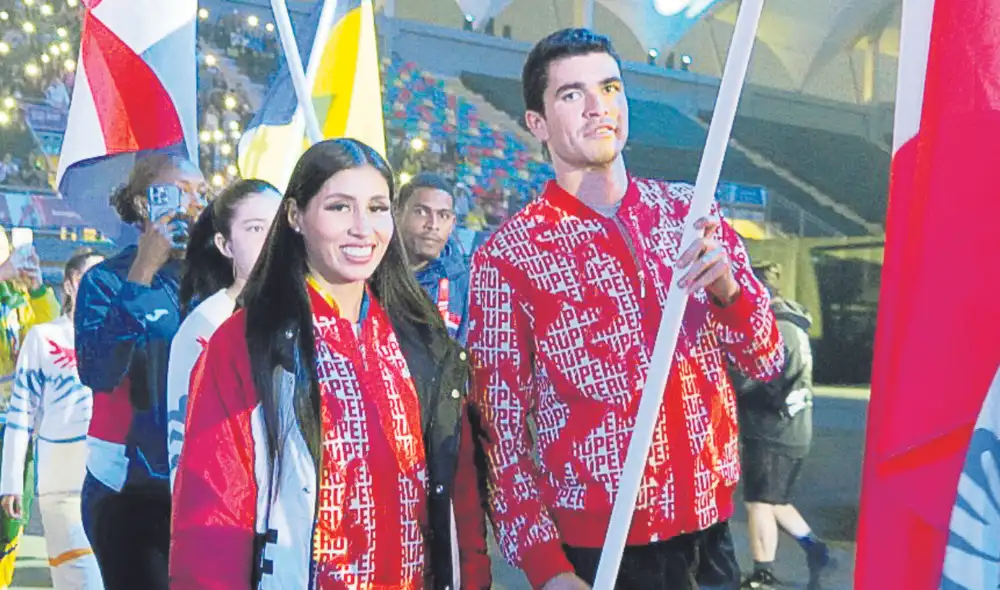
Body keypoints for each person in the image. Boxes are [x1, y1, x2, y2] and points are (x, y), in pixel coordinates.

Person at [466, 28, 785, 590]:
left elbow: (765, 360)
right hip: (602, 547)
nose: (598, 107)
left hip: (710, 534)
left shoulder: (690, 212)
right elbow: (499, 432)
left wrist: (731, 292)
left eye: (610, 87)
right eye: (571, 94)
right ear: (537, 124)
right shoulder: (510, 256)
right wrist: (548, 569)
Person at [170, 139, 491, 589]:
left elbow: (459, 499)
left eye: (378, 208)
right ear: (296, 216)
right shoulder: (248, 344)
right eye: (340, 207)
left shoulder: (424, 342)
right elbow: (213, 519)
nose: (363, 228)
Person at [74, 154, 206, 590]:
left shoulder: (218, 279)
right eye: (179, 193)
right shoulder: (106, 281)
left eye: (202, 194)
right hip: (133, 494)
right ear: (144, 202)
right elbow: (98, 371)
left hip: (207, 488)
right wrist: (144, 269)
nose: (193, 204)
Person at [0, 249, 105, 590]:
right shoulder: (43, 338)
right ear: (72, 284)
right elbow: (21, 414)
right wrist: (11, 481)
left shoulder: (119, 337)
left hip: (109, 476)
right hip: (61, 480)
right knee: (79, 577)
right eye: (93, 277)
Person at [166, 179, 281, 489]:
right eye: (256, 229)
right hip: (229, 515)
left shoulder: (314, 315)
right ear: (225, 244)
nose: (272, 241)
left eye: (278, 226)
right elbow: (183, 445)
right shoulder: (206, 325)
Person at [729, 263, 830, 590]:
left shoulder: (775, 329)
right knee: (775, 499)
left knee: (759, 500)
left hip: (773, 428)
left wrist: (726, 377)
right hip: (794, 426)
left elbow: (755, 377)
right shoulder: (793, 324)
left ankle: (763, 574)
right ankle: (815, 548)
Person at [0, 231, 60, 587]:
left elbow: (51, 333)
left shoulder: (19, 298)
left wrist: (37, 289)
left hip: (15, 425)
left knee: (10, 515)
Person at [395, 172, 470, 342]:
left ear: (452, 224)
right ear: (397, 212)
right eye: (421, 212)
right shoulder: (370, 272)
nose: (433, 225)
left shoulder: (464, 286)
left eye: (443, 215)